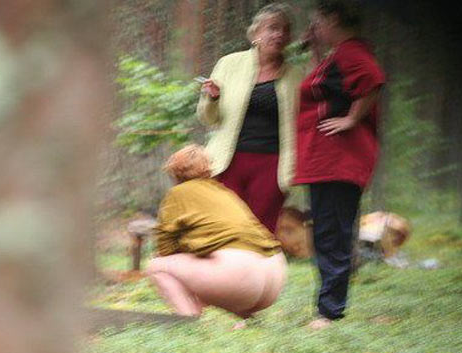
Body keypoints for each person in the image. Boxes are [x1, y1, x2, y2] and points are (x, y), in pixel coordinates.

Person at [294, 0, 386, 329]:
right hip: (325, 161)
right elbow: (320, 88)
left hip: (340, 160)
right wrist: (316, 49)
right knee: (325, 234)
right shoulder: (338, 56)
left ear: (333, 19)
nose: (314, 27)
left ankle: (329, 312)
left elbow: (373, 80)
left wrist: (351, 119)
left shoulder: (351, 52)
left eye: (317, 22)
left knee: (333, 235)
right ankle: (326, 308)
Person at [146, 145, 287, 325]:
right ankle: (248, 321)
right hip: (274, 275)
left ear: (174, 173)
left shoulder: (178, 193)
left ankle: (188, 321)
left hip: (239, 277)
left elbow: (165, 247)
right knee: (209, 263)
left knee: (157, 266)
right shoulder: (223, 191)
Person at [196, 3, 303, 234]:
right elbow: (208, 119)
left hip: (272, 166)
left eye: (285, 30)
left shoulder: (296, 75)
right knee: (223, 228)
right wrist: (212, 98)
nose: (279, 34)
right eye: (272, 28)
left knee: (260, 232)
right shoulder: (229, 64)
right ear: (255, 34)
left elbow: (303, 123)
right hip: (229, 161)